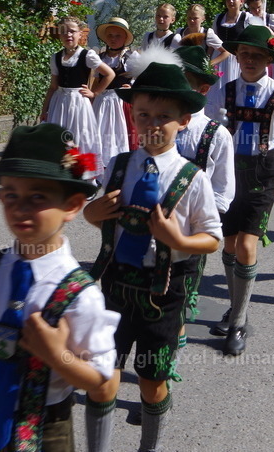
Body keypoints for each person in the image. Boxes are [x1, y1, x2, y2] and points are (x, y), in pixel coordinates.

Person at [0, 124, 118, 452]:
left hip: (43, 429)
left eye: (37, 197)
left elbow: (102, 381)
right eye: (10, 194)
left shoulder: (82, 294)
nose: (19, 208)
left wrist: (59, 356)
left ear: (71, 206)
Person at [83, 59, 222, 452]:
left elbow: (212, 239)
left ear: (184, 121)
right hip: (115, 283)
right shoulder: (119, 164)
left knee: (151, 378)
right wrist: (92, 213)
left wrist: (177, 238)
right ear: (133, 115)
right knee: (101, 377)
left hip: (164, 292)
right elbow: (97, 214)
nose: (152, 124)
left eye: (164, 116)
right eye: (144, 114)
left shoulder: (192, 177)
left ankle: (150, 446)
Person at [209, 25, 274, 353]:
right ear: (237, 56)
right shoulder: (225, 90)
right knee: (230, 244)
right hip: (228, 173)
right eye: (245, 54)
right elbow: (208, 131)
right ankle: (236, 307)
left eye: (257, 55)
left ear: (268, 59)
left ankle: (238, 322)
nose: (249, 60)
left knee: (247, 244)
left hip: (262, 176)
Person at [172, 44, 235, 353]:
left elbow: (223, 188)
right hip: (156, 224)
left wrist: (208, 225)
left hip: (193, 228)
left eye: (183, 80)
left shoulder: (216, 134)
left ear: (203, 87)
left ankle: (168, 364)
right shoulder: (161, 124)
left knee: (180, 296)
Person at [41, 16, 115, 182]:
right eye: (64, 32)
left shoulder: (87, 55)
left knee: (82, 137)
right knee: (60, 139)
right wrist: (44, 110)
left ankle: (88, 179)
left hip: (79, 102)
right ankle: (63, 176)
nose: (68, 35)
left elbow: (109, 74)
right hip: (59, 102)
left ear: (80, 33)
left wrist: (94, 93)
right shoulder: (56, 57)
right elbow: (53, 86)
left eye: (72, 31)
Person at [94, 17, 139, 172]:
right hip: (101, 102)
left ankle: (119, 166)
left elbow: (142, 77)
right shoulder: (99, 58)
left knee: (120, 134)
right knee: (100, 134)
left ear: (125, 38)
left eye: (117, 36)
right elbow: (94, 82)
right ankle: (100, 168)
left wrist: (132, 86)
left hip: (120, 102)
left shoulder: (130, 57)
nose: (113, 39)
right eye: (110, 35)